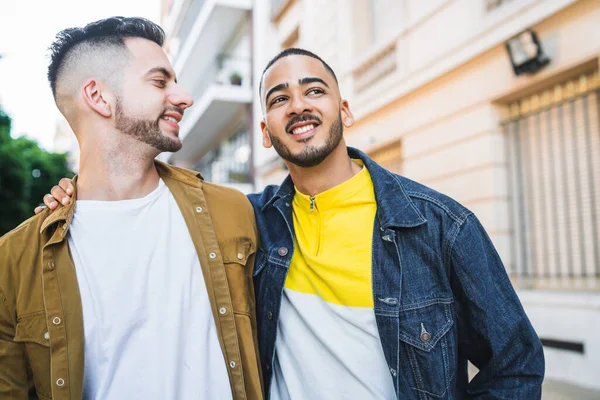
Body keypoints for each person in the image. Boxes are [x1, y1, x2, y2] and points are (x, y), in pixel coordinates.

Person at [40, 48, 545, 399]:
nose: (298, 105)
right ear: (265, 131)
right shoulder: (251, 219)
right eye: (279, 98)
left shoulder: (439, 226)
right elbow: (143, 200)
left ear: (343, 108)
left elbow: (515, 363)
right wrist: (77, 194)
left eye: (314, 91)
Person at [1, 17, 262, 400]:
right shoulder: (13, 260)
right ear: (99, 96)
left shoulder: (232, 212)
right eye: (160, 82)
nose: (184, 97)